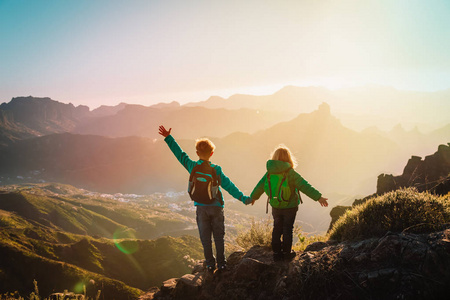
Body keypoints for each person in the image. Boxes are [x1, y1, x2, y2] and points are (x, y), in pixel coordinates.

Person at [158, 125, 252, 272]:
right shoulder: (216, 170)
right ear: (212, 153)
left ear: (197, 152)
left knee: (205, 239)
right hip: (216, 207)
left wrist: (168, 138)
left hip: (200, 207)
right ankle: (221, 264)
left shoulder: (192, 166)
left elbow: (179, 154)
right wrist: (244, 198)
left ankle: (209, 264)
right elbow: (229, 186)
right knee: (219, 238)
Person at [250, 144, 328, 261]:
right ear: (289, 158)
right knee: (287, 229)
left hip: (275, 205)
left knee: (277, 228)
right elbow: (304, 185)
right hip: (290, 207)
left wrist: (253, 197)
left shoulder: (269, 173)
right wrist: (319, 197)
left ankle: (276, 254)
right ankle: (287, 254)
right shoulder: (290, 173)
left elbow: (260, 186)